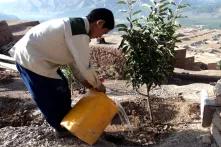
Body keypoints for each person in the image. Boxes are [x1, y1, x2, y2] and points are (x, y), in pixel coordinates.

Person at [9, 8, 115, 137]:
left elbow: (76, 65)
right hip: (31, 59)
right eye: (104, 31)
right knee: (50, 95)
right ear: (100, 23)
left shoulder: (78, 30)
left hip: (41, 59)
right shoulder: (78, 32)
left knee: (62, 89)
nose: (101, 36)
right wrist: (98, 86)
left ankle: (68, 125)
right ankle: (63, 130)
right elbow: (84, 66)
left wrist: (88, 84)